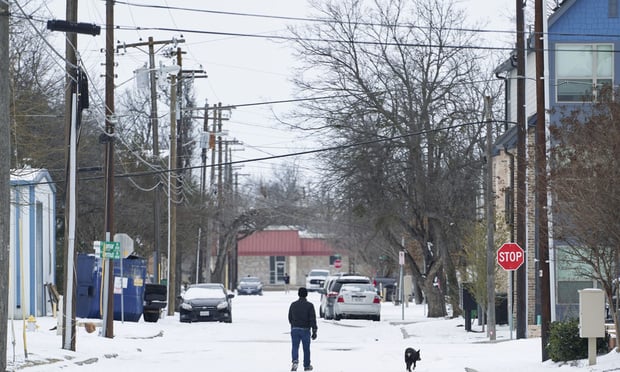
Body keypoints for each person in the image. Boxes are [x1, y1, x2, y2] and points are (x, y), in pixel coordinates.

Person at [288, 287, 317, 371]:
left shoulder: (293, 305)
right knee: (306, 348)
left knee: (295, 346)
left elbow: (290, 317)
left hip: (295, 329)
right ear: (306, 295)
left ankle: (295, 361)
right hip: (305, 329)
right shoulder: (310, 306)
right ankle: (307, 365)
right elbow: (312, 319)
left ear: (298, 294)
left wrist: (293, 325)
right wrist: (314, 330)